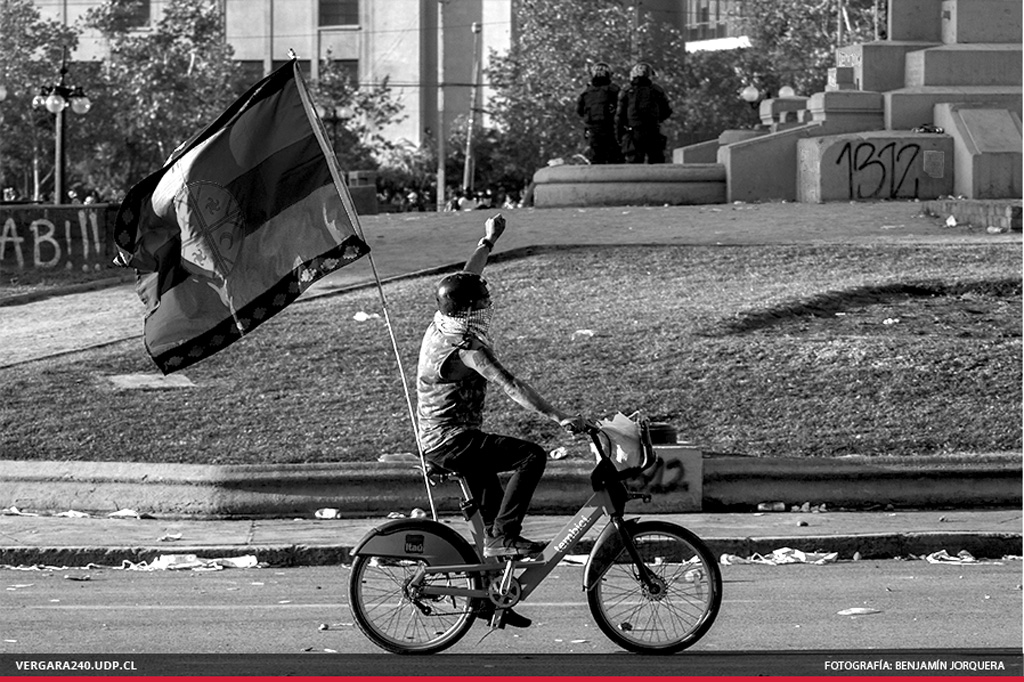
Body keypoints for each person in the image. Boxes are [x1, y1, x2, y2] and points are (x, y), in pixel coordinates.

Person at [416, 213, 585, 568]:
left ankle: (495, 582)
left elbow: (468, 277)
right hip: (452, 441)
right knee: (531, 457)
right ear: (467, 309)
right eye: (482, 302)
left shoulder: (443, 320)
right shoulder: (467, 349)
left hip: (443, 438)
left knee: (491, 525)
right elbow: (511, 385)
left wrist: (488, 240)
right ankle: (506, 536)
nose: (487, 305)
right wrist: (559, 416)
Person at [615, 62, 673, 164]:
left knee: (634, 164)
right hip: (652, 130)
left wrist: (620, 135)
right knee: (657, 163)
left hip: (633, 131)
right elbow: (667, 110)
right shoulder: (657, 90)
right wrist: (657, 120)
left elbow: (620, 116)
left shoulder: (626, 91)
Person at [576, 62, 623, 164]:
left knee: (596, 159)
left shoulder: (586, 92)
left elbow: (579, 111)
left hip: (593, 130)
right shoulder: (614, 89)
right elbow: (623, 108)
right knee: (615, 159)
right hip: (611, 129)